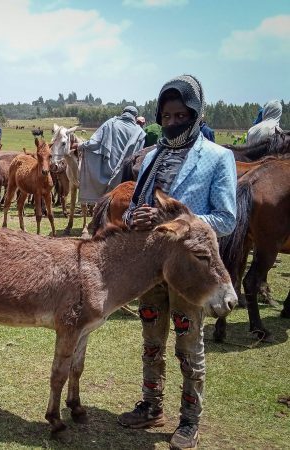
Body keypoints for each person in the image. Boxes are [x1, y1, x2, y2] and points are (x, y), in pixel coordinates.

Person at [118, 75, 236, 450]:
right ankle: (151, 406)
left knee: (189, 346)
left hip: (190, 273)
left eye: (180, 115)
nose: (172, 123)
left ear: (196, 114)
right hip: (150, 270)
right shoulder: (152, 156)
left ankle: (190, 421)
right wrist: (130, 219)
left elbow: (227, 218)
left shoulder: (218, 157)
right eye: (166, 116)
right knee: (151, 341)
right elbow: (135, 208)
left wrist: (178, 224)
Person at [72, 105, 145, 206]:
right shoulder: (140, 133)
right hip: (126, 178)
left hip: (107, 174)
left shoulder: (111, 123)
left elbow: (94, 143)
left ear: (123, 112)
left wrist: (80, 145)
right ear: (135, 116)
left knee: (103, 206)